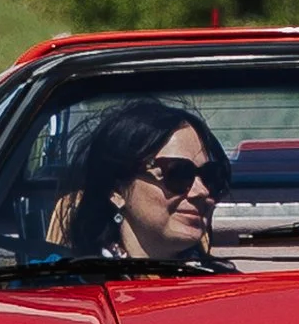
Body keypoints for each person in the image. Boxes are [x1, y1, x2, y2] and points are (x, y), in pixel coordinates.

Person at [56, 96, 229, 269]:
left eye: (211, 176)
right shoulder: (73, 286)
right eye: (178, 173)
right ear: (116, 190)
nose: (202, 191)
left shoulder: (226, 288)